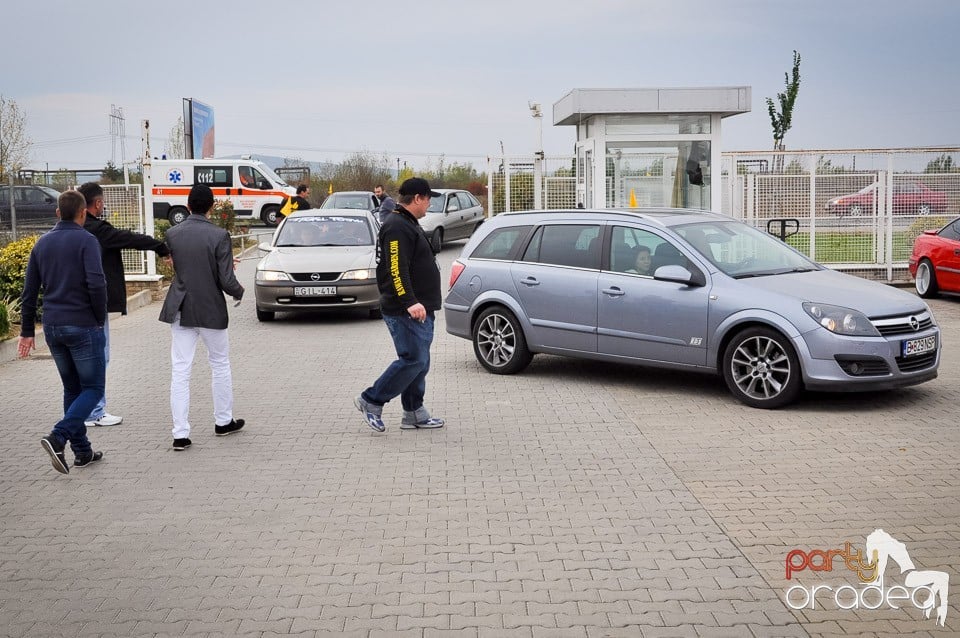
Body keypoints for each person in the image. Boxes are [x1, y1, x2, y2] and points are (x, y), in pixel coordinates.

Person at [19, 190, 106, 474]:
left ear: (58, 212)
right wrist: (98, 317)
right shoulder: (87, 241)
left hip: (53, 327)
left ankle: (83, 452)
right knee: (93, 389)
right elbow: (96, 284)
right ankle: (58, 436)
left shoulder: (41, 244)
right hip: (82, 324)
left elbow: (29, 291)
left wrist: (27, 331)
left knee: (72, 389)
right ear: (82, 213)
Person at [159, 184, 246, 451]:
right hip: (210, 309)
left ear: (187, 206)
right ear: (211, 206)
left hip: (181, 308)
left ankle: (180, 434)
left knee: (180, 370)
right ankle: (223, 421)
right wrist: (238, 291)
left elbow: (177, 265)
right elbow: (225, 278)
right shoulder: (220, 235)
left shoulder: (172, 233)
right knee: (219, 364)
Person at [355, 177, 445, 433]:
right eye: (428, 199)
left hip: (420, 308)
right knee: (413, 359)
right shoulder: (396, 226)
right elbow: (396, 268)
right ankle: (371, 400)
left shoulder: (406, 222)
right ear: (417, 198)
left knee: (420, 361)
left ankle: (414, 412)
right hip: (406, 310)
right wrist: (410, 301)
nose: (429, 205)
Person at [78, 182, 170, 427]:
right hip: (93, 307)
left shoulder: (64, 231)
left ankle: (80, 411)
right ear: (97, 203)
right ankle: (94, 411)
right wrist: (161, 247)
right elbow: (129, 238)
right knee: (99, 357)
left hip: (69, 306)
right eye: (103, 201)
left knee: (80, 361)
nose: (104, 205)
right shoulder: (97, 230)